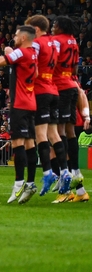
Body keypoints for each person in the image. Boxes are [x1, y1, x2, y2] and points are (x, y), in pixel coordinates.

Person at [0, 27, 39, 204]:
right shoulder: (33, 52)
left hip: (19, 104)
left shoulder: (22, 52)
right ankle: (31, 183)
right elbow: (36, 73)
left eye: (16, 35)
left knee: (18, 143)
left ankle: (18, 183)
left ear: (24, 37)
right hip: (31, 102)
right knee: (30, 144)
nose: (14, 37)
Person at [24, 15, 67, 196]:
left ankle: (48, 173)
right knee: (54, 134)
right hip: (54, 90)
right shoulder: (54, 43)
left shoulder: (37, 43)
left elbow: (31, 66)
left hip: (40, 90)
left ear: (36, 28)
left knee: (40, 135)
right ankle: (64, 172)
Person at [51, 16, 81, 198]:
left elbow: (50, 63)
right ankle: (75, 171)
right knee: (70, 133)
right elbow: (76, 70)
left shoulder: (56, 41)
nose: (53, 28)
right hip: (71, 86)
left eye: (55, 25)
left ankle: (64, 176)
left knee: (57, 132)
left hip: (59, 87)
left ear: (61, 26)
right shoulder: (74, 42)